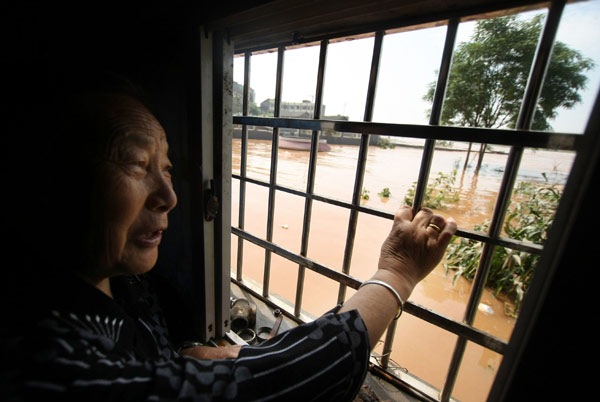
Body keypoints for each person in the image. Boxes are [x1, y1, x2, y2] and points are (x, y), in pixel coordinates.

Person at [1, 72, 457, 401]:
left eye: (167, 169)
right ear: (50, 182)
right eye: (138, 164)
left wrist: (182, 358)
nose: (170, 196)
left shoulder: (120, 280)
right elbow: (290, 386)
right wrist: (398, 272)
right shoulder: (48, 364)